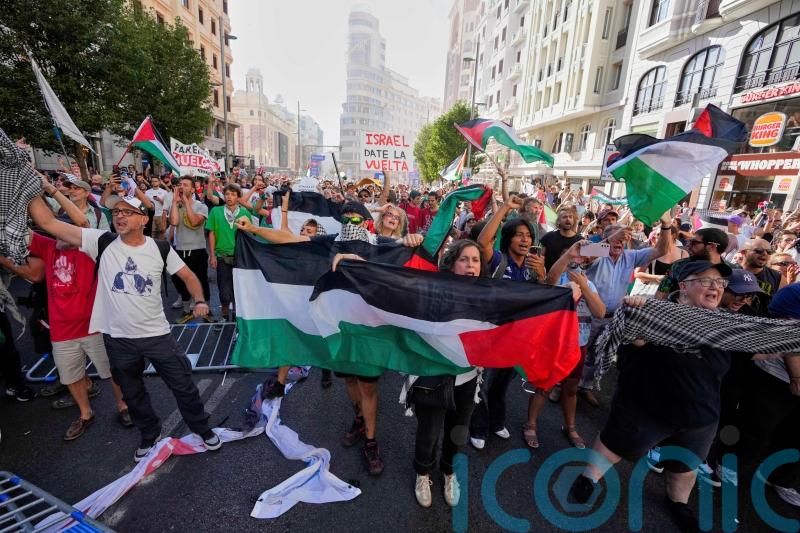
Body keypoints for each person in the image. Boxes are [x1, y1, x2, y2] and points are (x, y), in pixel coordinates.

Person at [28, 193, 221, 461]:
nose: (119, 215)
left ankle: (202, 429)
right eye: (116, 211)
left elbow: (188, 276)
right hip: (118, 339)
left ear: (143, 219)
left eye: (127, 212)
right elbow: (48, 222)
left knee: (183, 386)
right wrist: (36, 185)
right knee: (132, 392)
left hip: (157, 336)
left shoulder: (160, 247)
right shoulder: (101, 241)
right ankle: (149, 434)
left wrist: (200, 299)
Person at [236, 203, 423, 476]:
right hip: (337, 330)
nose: (350, 222)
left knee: (368, 387)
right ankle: (358, 418)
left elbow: (404, 246)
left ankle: (371, 441)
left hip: (368, 331)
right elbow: (289, 238)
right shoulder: (329, 242)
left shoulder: (379, 243)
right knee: (348, 380)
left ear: (367, 222)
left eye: (356, 218)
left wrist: (412, 240)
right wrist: (253, 228)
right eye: (345, 218)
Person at [570, 260, 733, 533]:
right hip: (646, 407)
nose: (715, 288)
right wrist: (637, 312)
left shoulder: (725, 325)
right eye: (706, 281)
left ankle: (678, 503)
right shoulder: (655, 314)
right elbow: (635, 334)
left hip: (699, 415)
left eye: (720, 283)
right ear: (684, 286)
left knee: (685, 465)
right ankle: (589, 478)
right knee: (614, 445)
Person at [6, 219, 133, 440]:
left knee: (113, 371)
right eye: (55, 233)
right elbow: (16, 228)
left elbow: (85, 223)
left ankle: (124, 406)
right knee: (71, 375)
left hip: (95, 326)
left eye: (64, 233)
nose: (60, 238)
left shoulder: (91, 249)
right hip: (62, 330)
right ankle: (85, 413)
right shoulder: (47, 247)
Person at [401, 240, 481, 508]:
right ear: (451, 264)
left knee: (459, 430)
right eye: (464, 259)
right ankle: (423, 474)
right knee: (429, 431)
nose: (471, 265)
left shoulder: (490, 293)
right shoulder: (432, 289)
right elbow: (396, 280)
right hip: (432, 373)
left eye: (476, 260)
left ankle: (448, 472)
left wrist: (568, 291)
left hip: (468, 377)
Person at [468, 195, 545, 450]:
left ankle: (496, 421)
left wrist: (543, 275)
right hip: (491, 336)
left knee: (503, 384)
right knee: (485, 384)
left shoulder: (533, 267)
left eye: (529, 236)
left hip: (517, 339)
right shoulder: (499, 261)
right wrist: (503, 208)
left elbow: (542, 298)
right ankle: (477, 427)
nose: (525, 240)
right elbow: (481, 242)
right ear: (509, 238)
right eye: (519, 235)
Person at [524, 241, 606, 450]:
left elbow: (600, 312)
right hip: (554, 344)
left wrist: (584, 287)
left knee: (570, 389)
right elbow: (550, 278)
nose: (577, 260)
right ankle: (531, 423)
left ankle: (570, 427)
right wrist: (570, 253)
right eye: (572, 257)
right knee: (545, 386)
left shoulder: (590, 283)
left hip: (578, 345)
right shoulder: (557, 278)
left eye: (581, 257)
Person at [735, 284, 800, 507]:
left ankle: (779, 477)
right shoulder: (794, 293)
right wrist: (797, 378)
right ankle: (727, 465)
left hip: (788, 381)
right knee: (756, 429)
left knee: (793, 436)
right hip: (775, 378)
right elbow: (790, 336)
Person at [206, 184, 252, 323]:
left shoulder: (245, 213)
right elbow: (212, 233)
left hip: (240, 257)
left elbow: (249, 235)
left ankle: (238, 315)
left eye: (233, 194)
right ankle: (225, 314)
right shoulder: (216, 211)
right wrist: (212, 255)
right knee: (224, 291)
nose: (229, 197)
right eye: (227, 194)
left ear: (238, 197)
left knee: (239, 289)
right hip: (222, 256)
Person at [168, 176, 211, 320]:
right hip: (180, 249)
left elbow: (194, 222)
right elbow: (173, 222)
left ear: (193, 189)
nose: (181, 187)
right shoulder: (176, 204)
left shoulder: (201, 206)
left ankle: (206, 310)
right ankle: (186, 310)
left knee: (201, 280)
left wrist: (186, 202)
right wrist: (175, 201)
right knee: (181, 281)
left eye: (185, 185)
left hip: (197, 249)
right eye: (180, 185)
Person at [655, 228, 733, 299]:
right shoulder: (679, 266)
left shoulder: (731, 271)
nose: (688, 245)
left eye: (694, 242)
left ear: (712, 246)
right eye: (689, 241)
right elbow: (660, 296)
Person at [740, 238, 786, 316]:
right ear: (744, 252)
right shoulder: (731, 272)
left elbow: (783, 305)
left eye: (769, 252)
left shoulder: (778, 277)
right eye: (758, 250)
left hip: (763, 325)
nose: (765, 253)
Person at [539, 205, 582, 271]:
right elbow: (540, 257)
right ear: (559, 221)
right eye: (564, 217)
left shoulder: (580, 240)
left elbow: (582, 263)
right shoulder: (549, 236)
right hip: (548, 277)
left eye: (570, 217)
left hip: (570, 279)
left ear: (573, 221)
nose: (568, 219)